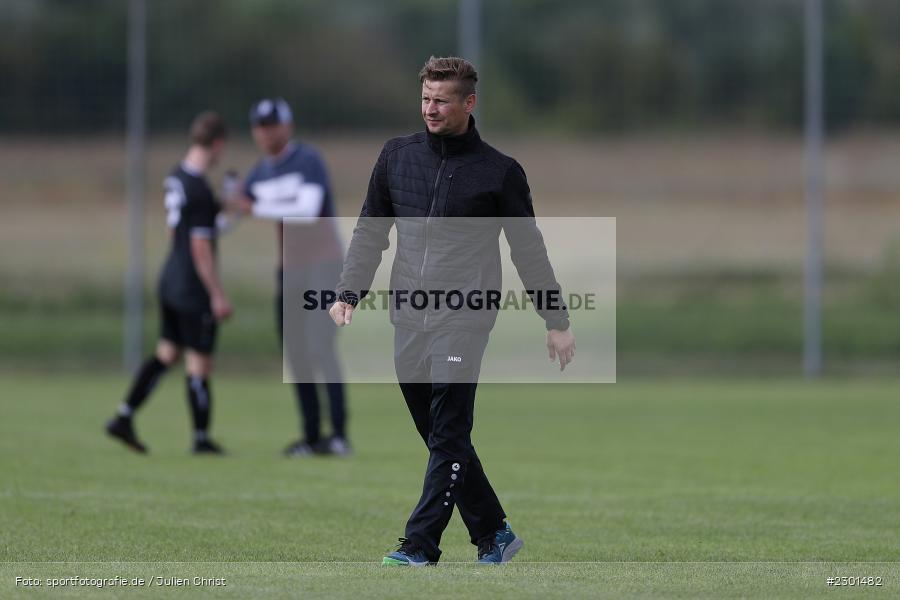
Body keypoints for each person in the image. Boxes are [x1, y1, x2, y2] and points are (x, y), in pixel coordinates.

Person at [329, 56, 576, 565]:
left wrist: (556, 321)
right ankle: (495, 532)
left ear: (469, 102)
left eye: (441, 100)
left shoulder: (500, 172)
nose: (431, 109)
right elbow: (370, 229)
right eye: (425, 98)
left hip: (466, 316)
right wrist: (348, 291)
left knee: (447, 432)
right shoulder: (396, 156)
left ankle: (420, 544)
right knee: (441, 435)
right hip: (408, 315)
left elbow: (527, 249)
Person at [105, 111, 232, 455]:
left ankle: (124, 416)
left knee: (166, 353)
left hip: (170, 279)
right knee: (199, 364)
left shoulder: (176, 177)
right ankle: (202, 440)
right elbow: (200, 245)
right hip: (192, 287)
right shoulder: (200, 190)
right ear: (218, 143)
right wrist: (217, 294)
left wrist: (224, 213)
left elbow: (177, 230)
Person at [236, 98, 350, 457]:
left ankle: (339, 435)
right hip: (290, 270)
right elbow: (234, 209)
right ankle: (312, 436)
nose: (267, 132)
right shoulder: (258, 172)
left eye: (273, 124)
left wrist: (252, 208)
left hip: (324, 264)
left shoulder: (307, 160)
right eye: (261, 126)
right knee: (296, 353)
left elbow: (306, 209)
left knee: (320, 345)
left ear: (288, 126)